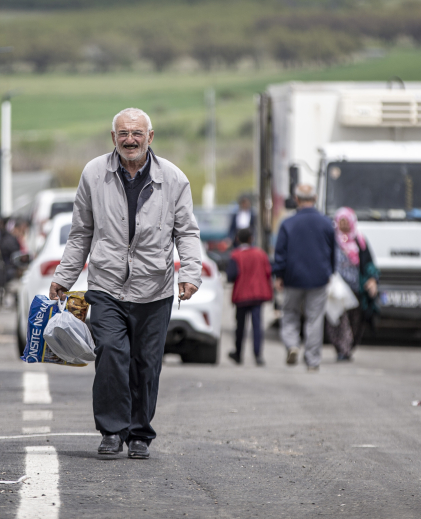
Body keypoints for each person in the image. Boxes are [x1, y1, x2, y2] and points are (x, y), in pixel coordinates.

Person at [49, 108, 202, 459]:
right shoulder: (93, 174)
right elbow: (81, 233)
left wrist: (191, 274)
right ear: (113, 138)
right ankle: (112, 429)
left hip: (155, 287)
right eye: (123, 134)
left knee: (146, 363)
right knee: (112, 355)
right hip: (107, 286)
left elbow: (187, 233)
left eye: (136, 133)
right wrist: (64, 277)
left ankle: (139, 433)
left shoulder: (174, 179)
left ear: (150, 137)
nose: (129, 140)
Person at [272, 184, 335, 372]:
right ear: (315, 198)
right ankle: (313, 361)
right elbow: (333, 252)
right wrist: (330, 272)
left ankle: (292, 345)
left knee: (290, 313)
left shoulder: (288, 224)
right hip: (319, 278)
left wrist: (279, 275)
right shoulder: (326, 223)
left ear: (296, 199)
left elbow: (280, 253)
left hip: (293, 277)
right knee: (314, 319)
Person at [326, 207, 380, 361]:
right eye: (340, 221)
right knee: (338, 319)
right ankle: (342, 349)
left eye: (346, 221)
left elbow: (369, 263)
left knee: (356, 320)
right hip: (337, 289)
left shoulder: (359, 240)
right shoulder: (332, 240)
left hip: (356, 288)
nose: (343, 224)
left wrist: (372, 279)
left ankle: (349, 346)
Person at [226, 228, 272, 366]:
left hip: (242, 295)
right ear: (251, 239)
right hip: (258, 294)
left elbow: (230, 276)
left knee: (240, 326)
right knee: (257, 325)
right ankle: (258, 355)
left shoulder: (235, 255)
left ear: (238, 239)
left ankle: (238, 353)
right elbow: (268, 272)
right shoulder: (261, 254)